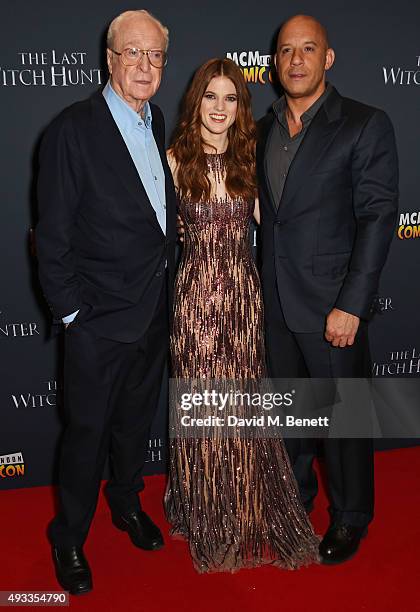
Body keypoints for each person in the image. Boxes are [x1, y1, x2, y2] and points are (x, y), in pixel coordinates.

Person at [36, 10, 176, 594]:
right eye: (134, 54)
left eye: (156, 57)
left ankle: (125, 504)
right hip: (96, 320)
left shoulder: (157, 119)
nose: (145, 67)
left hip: (152, 311)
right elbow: (52, 234)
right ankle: (69, 536)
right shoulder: (72, 128)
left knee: (133, 426)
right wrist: (71, 314)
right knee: (86, 433)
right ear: (110, 58)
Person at [164, 58, 320, 573]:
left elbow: (283, 226)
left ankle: (246, 505)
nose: (220, 108)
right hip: (192, 301)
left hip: (241, 299)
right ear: (196, 101)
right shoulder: (172, 160)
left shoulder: (252, 159)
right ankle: (205, 507)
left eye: (231, 98)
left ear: (240, 108)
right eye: (211, 96)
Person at [257, 15, 398, 564]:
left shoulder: (364, 123)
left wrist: (352, 305)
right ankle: (294, 504)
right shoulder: (263, 127)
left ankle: (351, 517)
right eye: (286, 50)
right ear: (275, 63)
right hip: (275, 303)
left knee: (344, 422)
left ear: (328, 59)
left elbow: (379, 218)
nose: (296, 60)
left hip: (333, 307)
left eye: (308, 49)